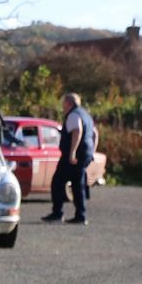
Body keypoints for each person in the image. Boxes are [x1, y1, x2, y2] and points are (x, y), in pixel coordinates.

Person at [45, 92, 98, 224]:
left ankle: (58, 213)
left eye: (63, 103)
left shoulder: (74, 115)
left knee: (57, 182)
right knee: (77, 185)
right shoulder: (85, 115)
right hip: (85, 154)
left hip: (74, 155)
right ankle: (80, 215)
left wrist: (72, 152)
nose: (63, 107)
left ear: (68, 103)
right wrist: (92, 151)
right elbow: (95, 134)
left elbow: (77, 131)